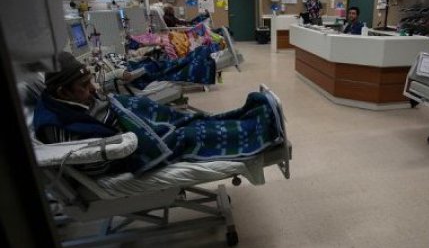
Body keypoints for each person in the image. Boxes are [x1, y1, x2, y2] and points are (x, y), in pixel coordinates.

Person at [34, 52, 282, 175]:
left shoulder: (66, 103)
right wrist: (133, 135)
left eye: (90, 82)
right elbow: (95, 164)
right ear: (62, 91)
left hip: (130, 116)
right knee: (190, 135)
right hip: (132, 145)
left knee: (192, 119)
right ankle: (257, 129)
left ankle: (249, 114)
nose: (93, 89)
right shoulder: (58, 126)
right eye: (84, 85)